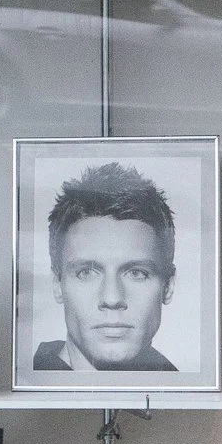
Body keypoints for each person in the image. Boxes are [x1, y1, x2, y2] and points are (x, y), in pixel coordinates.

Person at [33, 160, 179, 374]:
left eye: (137, 273)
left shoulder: (180, 390)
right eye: (86, 273)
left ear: (168, 286)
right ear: (57, 284)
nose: (112, 299)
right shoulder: (28, 383)